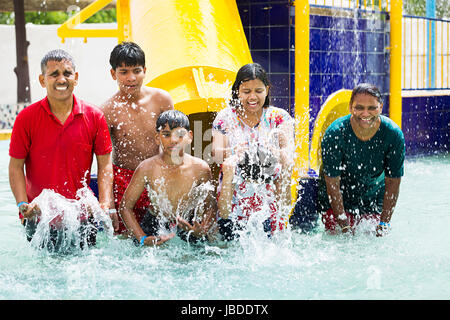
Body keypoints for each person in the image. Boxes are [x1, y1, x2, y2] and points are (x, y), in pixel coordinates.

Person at [8, 49, 113, 247]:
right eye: (54, 74)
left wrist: (104, 204)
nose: (61, 79)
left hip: (82, 217)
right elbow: (15, 166)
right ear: (42, 80)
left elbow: (105, 164)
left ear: (76, 77)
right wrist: (22, 204)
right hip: (39, 218)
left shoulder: (94, 116)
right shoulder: (26, 118)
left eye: (67, 73)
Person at [211, 63, 294, 240]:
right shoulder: (225, 118)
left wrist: (274, 152)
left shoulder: (279, 117)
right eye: (246, 91)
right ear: (237, 91)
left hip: (269, 200)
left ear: (267, 89)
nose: (252, 97)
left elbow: (289, 155)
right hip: (234, 201)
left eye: (258, 90)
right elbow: (216, 153)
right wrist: (234, 150)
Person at [101, 42, 174, 234]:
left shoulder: (162, 100)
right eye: (124, 72)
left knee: (162, 236)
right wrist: (108, 202)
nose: (131, 78)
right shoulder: (107, 110)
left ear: (145, 71)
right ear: (113, 74)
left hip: (155, 177)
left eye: (136, 70)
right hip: (124, 181)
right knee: (125, 238)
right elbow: (104, 160)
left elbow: (174, 145)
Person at [318, 83, 405, 237]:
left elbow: (393, 182)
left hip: (372, 199)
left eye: (372, 108)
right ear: (351, 107)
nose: (365, 113)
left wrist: (384, 223)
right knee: (337, 240)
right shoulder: (335, 133)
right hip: (335, 200)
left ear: (381, 107)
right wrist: (343, 224)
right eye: (359, 108)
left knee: (373, 240)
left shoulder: (393, 135)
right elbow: (332, 183)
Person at [119, 110, 217, 246]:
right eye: (166, 134)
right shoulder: (147, 168)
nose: (173, 140)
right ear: (157, 138)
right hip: (155, 223)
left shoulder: (200, 169)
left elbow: (211, 206)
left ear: (190, 137)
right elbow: (125, 207)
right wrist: (142, 238)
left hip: (187, 225)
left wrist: (202, 230)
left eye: (180, 135)